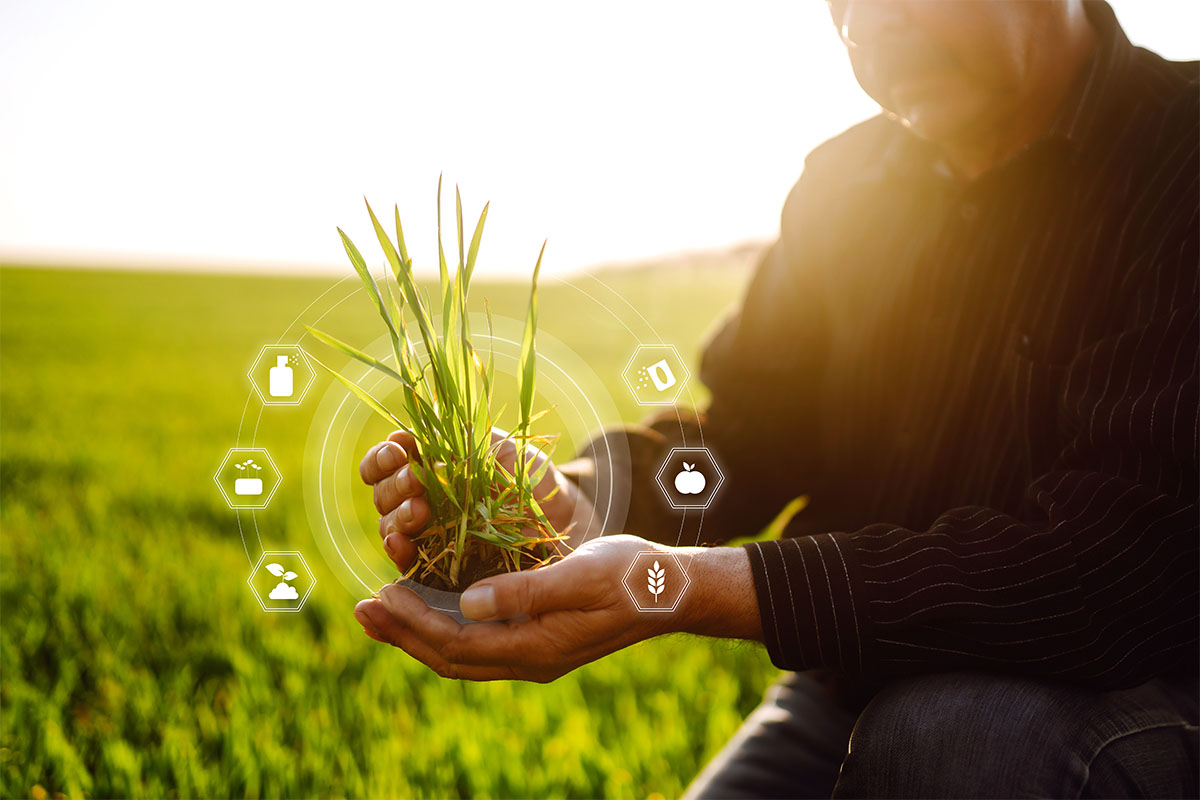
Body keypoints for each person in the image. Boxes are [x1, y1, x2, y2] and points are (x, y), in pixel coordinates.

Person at [352, 1, 1199, 795]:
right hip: (852, 691)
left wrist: (681, 585)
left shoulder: (1178, 157)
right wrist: (575, 502)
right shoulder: (846, 186)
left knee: (949, 734)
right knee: (915, 725)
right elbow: (748, 439)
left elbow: (1117, 565)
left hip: (1137, 698)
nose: (870, 23)